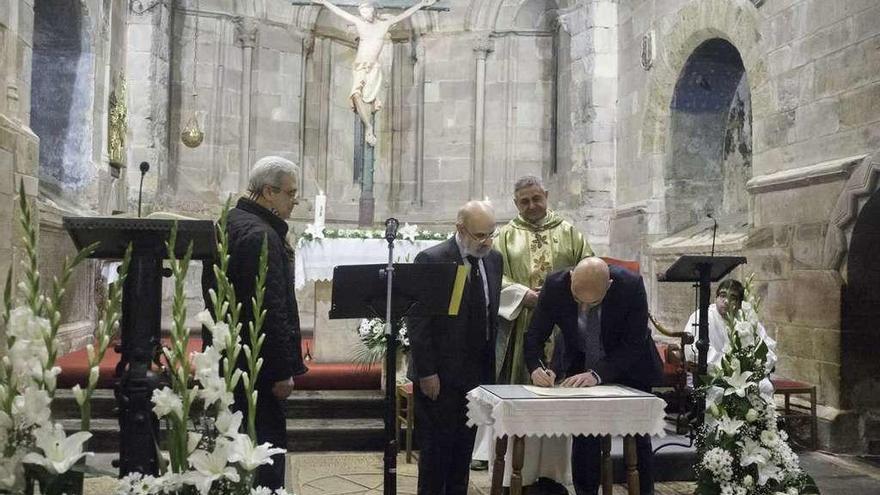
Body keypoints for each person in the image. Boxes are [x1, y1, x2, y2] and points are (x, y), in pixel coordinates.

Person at [471, 175, 592, 487]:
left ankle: (556, 469)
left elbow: (591, 268)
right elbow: (491, 276)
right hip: (521, 325)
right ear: (515, 204)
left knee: (561, 393)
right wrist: (521, 294)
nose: (531, 205)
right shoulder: (506, 237)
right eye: (524, 201)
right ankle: (515, 467)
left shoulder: (569, 232)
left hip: (565, 329)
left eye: (536, 198)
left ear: (546, 195)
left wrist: (570, 297)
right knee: (519, 394)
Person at [524, 257, 663, 495]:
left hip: (630, 366)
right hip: (582, 361)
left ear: (608, 285)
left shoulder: (631, 286)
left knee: (637, 438)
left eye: (595, 302)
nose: (585, 308)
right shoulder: (555, 286)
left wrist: (598, 374)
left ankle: (643, 491)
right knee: (585, 432)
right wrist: (536, 367)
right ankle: (586, 491)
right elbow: (534, 336)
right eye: (578, 300)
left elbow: (634, 343)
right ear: (570, 280)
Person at [407, 200, 502, 495]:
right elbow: (418, 322)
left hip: (476, 374)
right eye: (479, 235)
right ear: (460, 229)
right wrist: (426, 372)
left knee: (463, 454)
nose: (486, 242)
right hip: (439, 376)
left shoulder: (493, 259)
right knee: (436, 456)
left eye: (490, 234)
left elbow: (489, 314)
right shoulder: (432, 259)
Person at [225, 156, 309, 489]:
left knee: (235, 451)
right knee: (265, 455)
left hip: (232, 359)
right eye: (290, 193)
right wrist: (281, 370)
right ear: (269, 192)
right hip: (258, 370)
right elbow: (270, 309)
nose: (295, 200)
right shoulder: (262, 235)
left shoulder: (230, 221)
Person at [312, 0, 437, 146]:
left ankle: (369, 126)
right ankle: (369, 127)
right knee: (356, 95)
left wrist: (420, 5)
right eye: (362, 12)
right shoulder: (360, 24)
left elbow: (403, 15)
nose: (365, 15)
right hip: (360, 66)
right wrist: (325, 2)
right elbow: (341, 13)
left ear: (373, 10)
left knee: (370, 101)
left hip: (374, 68)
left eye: (367, 10)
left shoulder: (383, 26)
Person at [683, 279, 777, 397]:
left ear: (739, 303)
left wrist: (754, 368)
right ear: (715, 298)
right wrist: (728, 367)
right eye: (722, 296)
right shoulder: (702, 316)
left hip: (745, 375)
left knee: (764, 386)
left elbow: (766, 347)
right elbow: (693, 351)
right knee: (720, 392)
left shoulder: (746, 319)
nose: (726, 301)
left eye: (733, 298)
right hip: (714, 375)